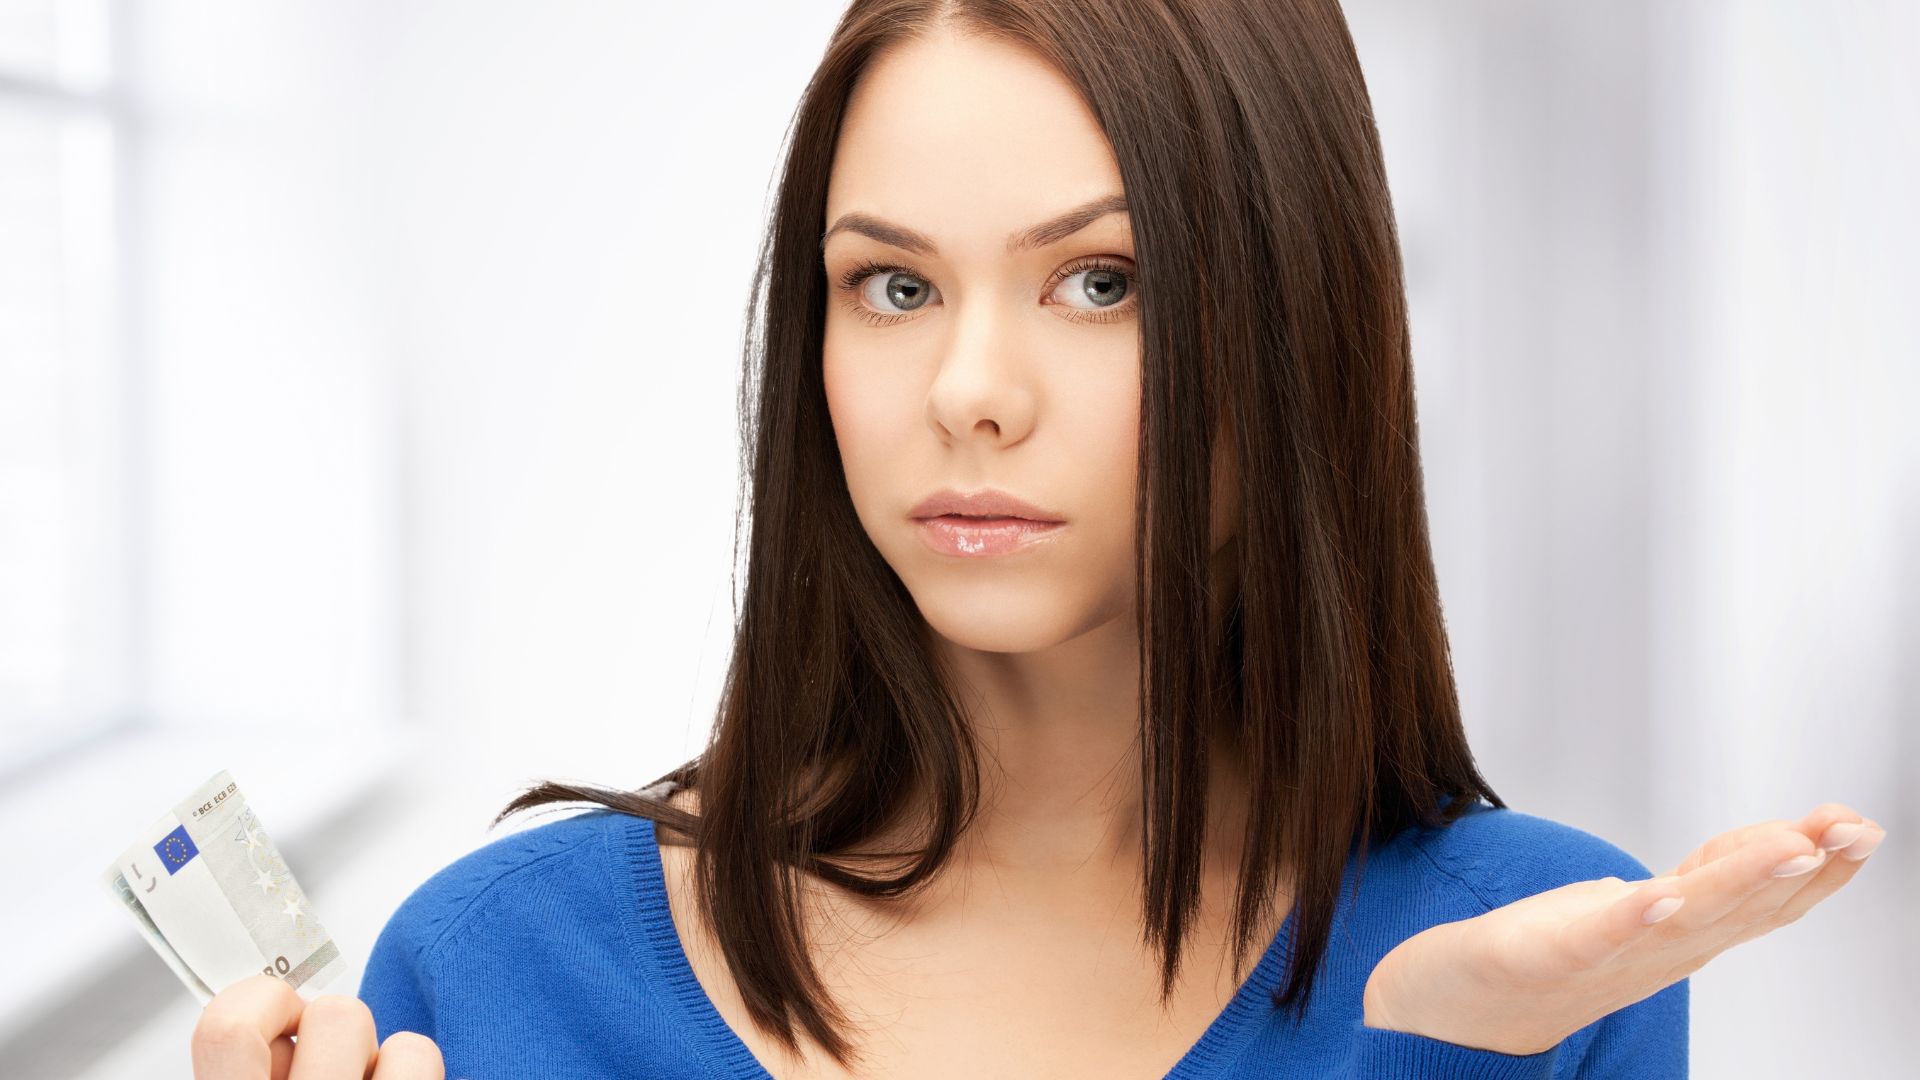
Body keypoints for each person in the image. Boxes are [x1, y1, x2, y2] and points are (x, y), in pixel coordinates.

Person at [188, 1, 1886, 1077]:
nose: (970, 390)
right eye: (895, 285)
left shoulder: (1549, 958)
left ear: (1297, 325)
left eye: (1102, 281)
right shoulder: (499, 966)